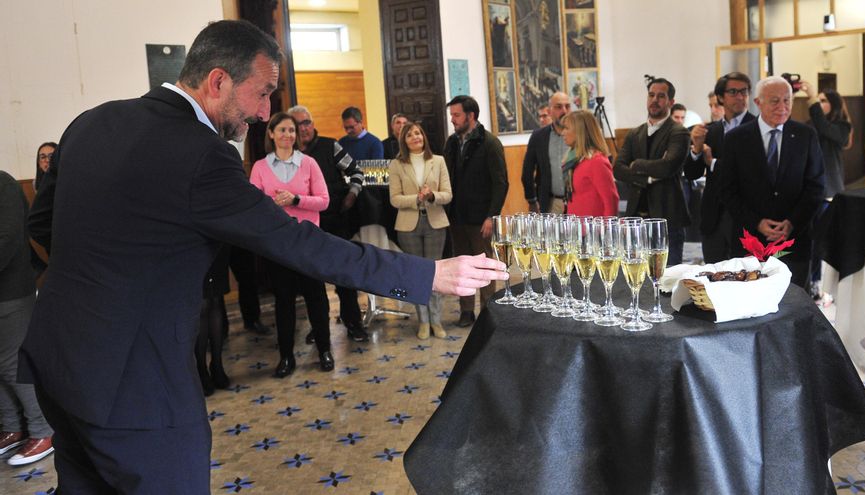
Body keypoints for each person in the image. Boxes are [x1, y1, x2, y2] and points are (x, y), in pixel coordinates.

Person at [23, 20, 506, 493]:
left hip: (59, 362)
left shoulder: (92, 121)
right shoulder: (202, 154)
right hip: (136, 381)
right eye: (262, 92)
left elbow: (43, 224)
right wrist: (426, 274)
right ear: (218, 80)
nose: (265, 112)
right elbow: (299, 243)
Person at [717, 75, 825, 288]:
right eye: (775, 101)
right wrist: (757, 222)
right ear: (758, 103)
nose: (782, 107)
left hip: (794, 239)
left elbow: (816, 186)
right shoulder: (736, 138)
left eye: (787, 100)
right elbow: (727, 190)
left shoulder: (806, 135)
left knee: (794, 307)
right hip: (750, 240)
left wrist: (792, 222)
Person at [251, 111, 334, 376]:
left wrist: (296, 199)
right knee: (284, 301)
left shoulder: (308, 163)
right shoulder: (260, 167)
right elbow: (253, 205)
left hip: (309, 243)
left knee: (316, 299)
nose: (288, 135)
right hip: (279, 246)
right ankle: (286, 357)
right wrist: (270, 205)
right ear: (272, 134)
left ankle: (325, 350)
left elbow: (324, 200)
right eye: (282, 130)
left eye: (292, 131)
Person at [289, 104, 369, 342]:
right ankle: (319, 326)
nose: (303, 128)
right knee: (312, 280)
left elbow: (356, 172)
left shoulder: (329, 145)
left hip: (335, 220)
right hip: (306, 226)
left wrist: (352, 195)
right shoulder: (290, 154)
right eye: (298, 124)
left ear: (312, 124)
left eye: (306, 122)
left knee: (344, 274)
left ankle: (353, 322)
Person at [0, 171, 54, 466]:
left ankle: (43, 431)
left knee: (14, 366)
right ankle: (12, 427)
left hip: (10, 292)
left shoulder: (4, 184)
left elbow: (7, 239)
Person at [444, 95, 509, 327]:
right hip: (457, 216)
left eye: (457, 115)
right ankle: (466, 311)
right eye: (451, 115)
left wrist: (491, 215)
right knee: (462, 264)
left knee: (483, 264)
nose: (453, 120)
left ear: (471, 116)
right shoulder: (451, 143)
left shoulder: (490, 143)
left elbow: (501, 183)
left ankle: (488, 311)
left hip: (481, 218)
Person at [613, 77, 690, 265]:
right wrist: (648, 177)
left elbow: (668, 166)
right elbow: (618, 169)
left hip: (667, 219)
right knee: (636, 279)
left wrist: (637, 165)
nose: (655, 100)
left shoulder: (679, 132)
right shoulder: (634, 133)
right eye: (651, 95)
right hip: (636, 221)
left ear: (671, 102)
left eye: (661, 96)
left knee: (667, 280)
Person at [389, 122, 452, 339]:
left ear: (423, 137)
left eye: (418, 133)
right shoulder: (396, 165)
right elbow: (394, 199)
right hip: (408, 225)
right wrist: (416, 198)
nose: (415, 137)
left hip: (435, 223)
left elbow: (448, 194)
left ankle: (436, 320)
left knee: (435, 273)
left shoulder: (439, 161)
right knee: (416, 274)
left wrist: (432, 195)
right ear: (403, 141)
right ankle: (423, 321)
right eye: (409, 135)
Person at [684, 72, 755, 263]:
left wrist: (713, 162)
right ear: (721, 97)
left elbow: (748, 173)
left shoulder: (757, 128)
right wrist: (697, 149)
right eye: (733, 92)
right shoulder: (711, 130)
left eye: (744, 91)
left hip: (745, 218)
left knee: (745, 279)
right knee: (714, 276)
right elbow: (692, 174)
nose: (740, 96)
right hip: (714, 217)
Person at [802, 81, 853, 296]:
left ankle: (830, 287)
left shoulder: (842, 127)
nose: (819, 103)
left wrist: (811, 97)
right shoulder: (811, 123)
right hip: (809, 190)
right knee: (809, 240)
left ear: (833, 104)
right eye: (817, 100)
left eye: (823, 101)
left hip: (829, 192)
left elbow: (824, 128)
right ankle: (811, 282)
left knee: (826, 241)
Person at [560, 110, 619, 216]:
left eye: (566, 128)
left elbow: (611, 200)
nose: (562, 132)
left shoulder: (597, 162)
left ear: (580, 131)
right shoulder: (572, 160)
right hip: (576, 228)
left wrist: (607, 230)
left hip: (594, 230)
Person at [522, 92, 572, 213]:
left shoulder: (580, 134)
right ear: (550, 111)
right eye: (559, 107)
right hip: (550, 203)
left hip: (576, 201)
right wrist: (532, 200)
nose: (564, 111)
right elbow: (527, 171)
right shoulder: (538, 136)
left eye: (567, 106)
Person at [195, 247, 231, 396]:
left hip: (216, 243)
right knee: (203, 305)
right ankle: (201, 369)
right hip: (194, 246)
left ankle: (217, 364)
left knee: (216, 301)